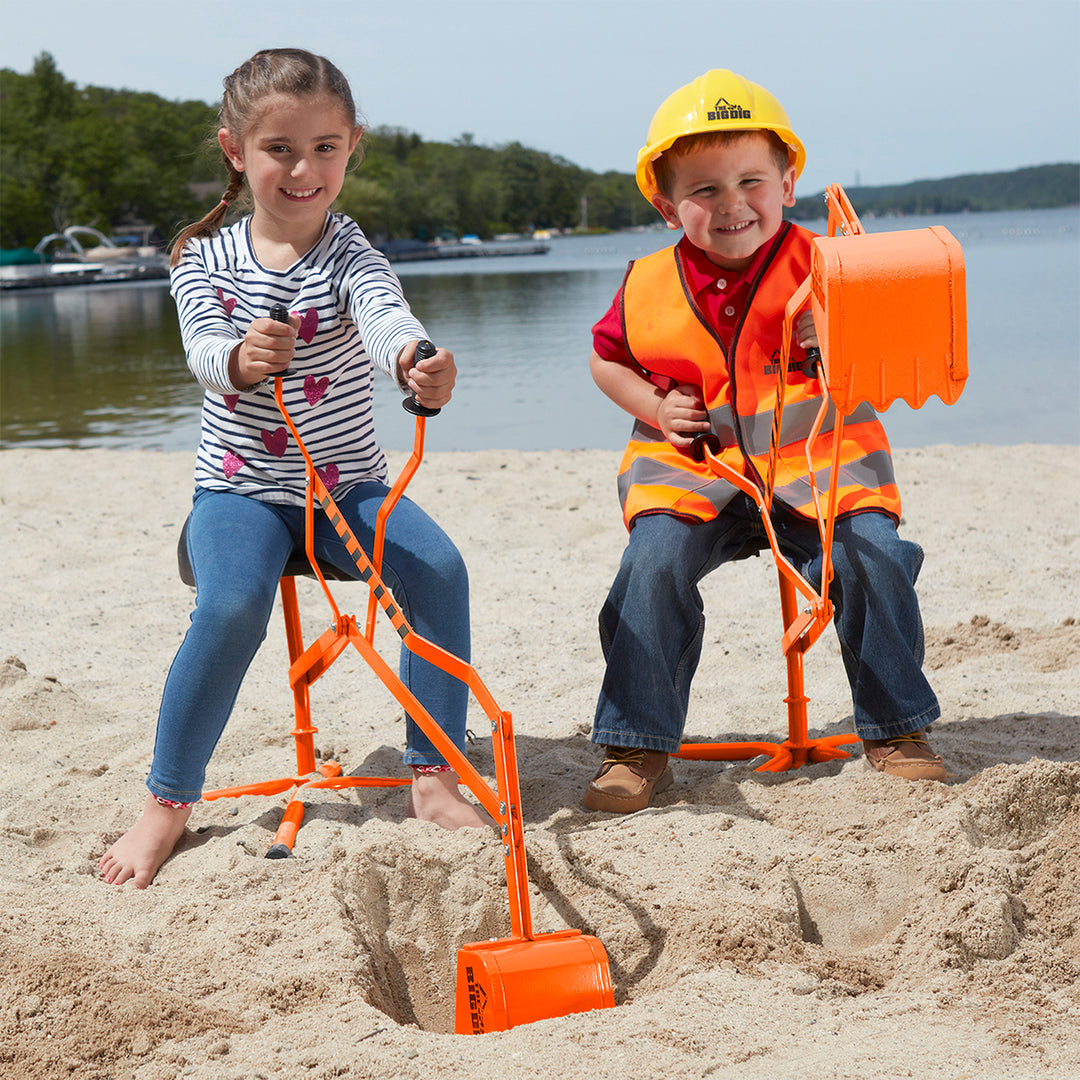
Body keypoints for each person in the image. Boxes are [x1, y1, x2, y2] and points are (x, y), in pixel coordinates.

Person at [100, 48, 487, 889]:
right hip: (239, 491)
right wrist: (242, 358)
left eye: (324, 148)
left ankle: (433, 776)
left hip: (345, 489)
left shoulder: (351, 252)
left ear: (353, 146)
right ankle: (167, 803)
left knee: (442, 572)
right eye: (279, 148)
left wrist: (417, 362)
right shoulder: (201, 255)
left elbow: (388, 317)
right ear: (236, 150)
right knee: (234, 602)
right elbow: (204, 351)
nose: (303, 169)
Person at [583, 69, 947, 814]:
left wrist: (844, 334)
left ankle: (898, 729)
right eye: (705, 190)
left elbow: (895, 364)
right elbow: (606, 360)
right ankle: (637, 744)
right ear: (665, 203)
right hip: (694, 471)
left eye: (752, 181)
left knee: (872, 552)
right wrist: (655, 404)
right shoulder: (646, 281)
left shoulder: (833, 268)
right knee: (650, 566)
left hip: (819, 469)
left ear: (787, 182)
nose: (733, 205)